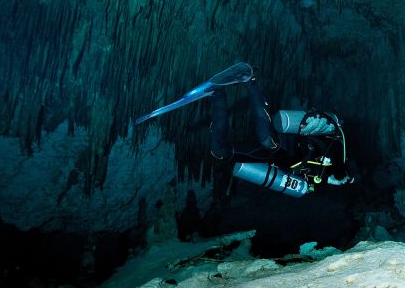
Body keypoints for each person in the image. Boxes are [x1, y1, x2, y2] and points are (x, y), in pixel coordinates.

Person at [135, 62, 354, 198]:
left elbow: (291, 176)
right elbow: (340, 164)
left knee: (219, 152)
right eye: (343, 181)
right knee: (267, 139)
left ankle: (216, 96)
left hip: (273, 158)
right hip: (290, 144)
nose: (340, 182)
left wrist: (321, 181)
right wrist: (342, 175)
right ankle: (250, 81)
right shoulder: (338, 161)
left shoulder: (316, 182)